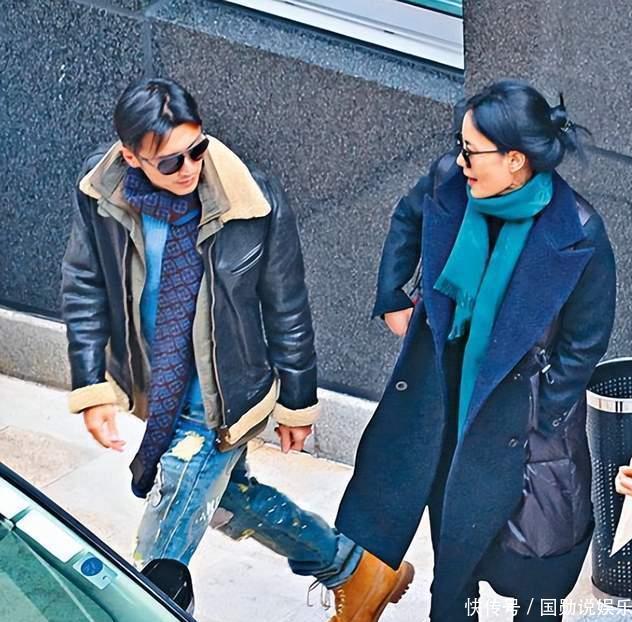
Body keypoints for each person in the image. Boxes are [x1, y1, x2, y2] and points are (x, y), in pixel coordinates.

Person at [61, 76, 413, 621]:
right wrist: (92, 385)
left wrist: (297, 400)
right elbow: (84, 285)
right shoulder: (102, 194)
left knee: (158, 559)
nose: (189, 168)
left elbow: (287, 307)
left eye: (196, 149)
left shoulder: (252, 200)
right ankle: (355, 571)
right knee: (227, 497)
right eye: (169, 161)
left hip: (224, 397)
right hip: (157, 388)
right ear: (131, 157)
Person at [336, 80, 617, 621]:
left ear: (515, 160)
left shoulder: (579, 231)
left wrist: (544, 407)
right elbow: (407, 218)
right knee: (452, 530)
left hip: (521, 414)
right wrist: (393, 295)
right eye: (460, 146)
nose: (460, 160)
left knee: (534, 561)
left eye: (472, 151)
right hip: (451, 392)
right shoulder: (449, 181)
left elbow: (587, 338)